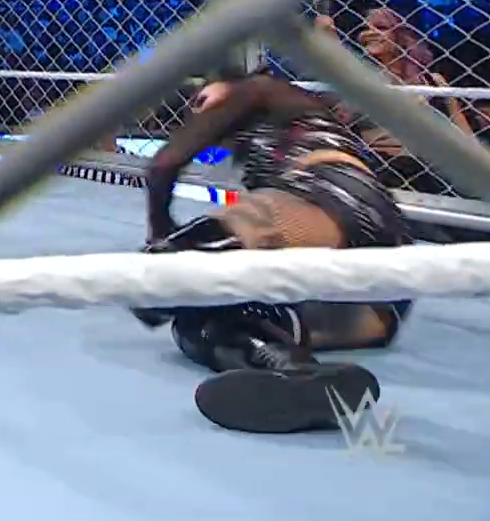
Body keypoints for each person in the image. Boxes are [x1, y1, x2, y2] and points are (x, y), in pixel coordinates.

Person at [132, 71, 413, 435]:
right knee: (198, 324)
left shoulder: (263, 90)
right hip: (378, 304)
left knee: (165, 271)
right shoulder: (262, 151)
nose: (196, 111)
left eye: (201, 100)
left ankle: (289, 365)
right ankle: (297, 373)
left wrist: (159, 234)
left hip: (340, 199)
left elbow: (164, 165)